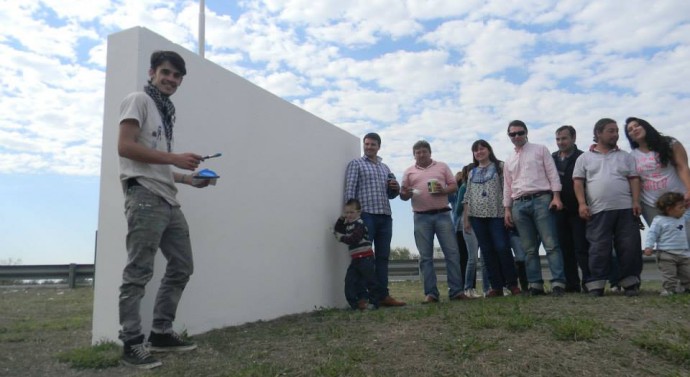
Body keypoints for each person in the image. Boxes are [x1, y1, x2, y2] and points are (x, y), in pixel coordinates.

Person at [117, 51, 208, 369]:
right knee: (138, 272)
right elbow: (125, 147)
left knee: (182, 267)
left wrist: (187, 178)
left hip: (168, 199)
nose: (171, 79)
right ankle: (131, 342)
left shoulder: (165, 111)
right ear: (152, 72)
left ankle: (160, 332)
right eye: (166, 73)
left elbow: (156, 161)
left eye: (177, 76)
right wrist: (175, 158)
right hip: (144, 196)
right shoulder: (138, 100)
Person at [573, 118, 643, 297]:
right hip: (598, 210)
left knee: (629, 246)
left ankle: (630, 283)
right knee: (598, 247)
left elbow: (634, 179)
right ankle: (596, 284)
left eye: (617, 131)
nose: (616, 134)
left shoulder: (625, 156)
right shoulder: (584, 158)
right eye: (611, 131)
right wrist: (582, 203)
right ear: (598, 133)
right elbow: (578, 183)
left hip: (626, 209)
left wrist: (636, 201)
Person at [503, 120, 567, 296]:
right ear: (509, 136)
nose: (516, 136)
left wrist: (556, 196)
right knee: (529, 249)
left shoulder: (540, 149)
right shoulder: (509, 159)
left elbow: (552, 173)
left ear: (526, 133)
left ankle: (558, 283)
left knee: (551, 244)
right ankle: (535, 284)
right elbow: (508, 186)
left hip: (541, 199)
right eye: (512, 134)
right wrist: (507, 209)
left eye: (520, 133)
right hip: (518, 204)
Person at [400, 140, 467, 303]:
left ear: (430, 152)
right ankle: (431, 293)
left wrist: (443, 190)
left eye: (424, 151)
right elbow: (402, 195)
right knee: (425, 256)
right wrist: (406, 193)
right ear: (414, 155)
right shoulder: (408, 172)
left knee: (452, 253)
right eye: (418, 152)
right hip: (421, 216)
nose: (421, 154)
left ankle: (456, 291)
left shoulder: (442, 167)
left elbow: (454, 186)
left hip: (443, 215)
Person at [344, 133, 406, 307]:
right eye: (367, 144)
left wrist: (395, 188)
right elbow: (350, 191)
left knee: (383, 257)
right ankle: (361, 297)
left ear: (379, 146)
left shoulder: (385, 168)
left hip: (385, 216)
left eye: (373, 144)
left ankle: (382, 296)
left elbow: (392, 194)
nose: (369, 147)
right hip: (365, 216)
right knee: (362, 258)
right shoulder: (356, 164)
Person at [463, 140, 521, 297]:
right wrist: (466, 219)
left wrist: (508, 210)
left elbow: (507, 188)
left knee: (502, 247)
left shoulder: (500, 167)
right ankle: (496, 287)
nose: (479, 152)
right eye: (475, 150)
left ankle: (512, 283)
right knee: (487, 252)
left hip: (497, 214)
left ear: (489, 150)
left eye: (482, 149)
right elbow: (467, 196)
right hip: (477, 216)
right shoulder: (471, 172)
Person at [624, 117, 690, 239]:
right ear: (630, 137)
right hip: (651, 205)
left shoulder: (670, 144)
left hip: (679, 199)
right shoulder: (631, 156)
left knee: (687, 235)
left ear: (646, 126)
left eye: (637, 125)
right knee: (666, 240)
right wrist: (636, 202)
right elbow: (635, 181)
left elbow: (683, 166)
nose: (634, 130)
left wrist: (689, 189)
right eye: (630, 130)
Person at [552, 125, 591, 292]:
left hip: (578, 209)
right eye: (558, 139)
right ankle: (572, 284)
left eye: (564, 138)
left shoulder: (583, 157)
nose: (561, 142)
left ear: (574, 138)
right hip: (559, 211)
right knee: (564, 248)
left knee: (582, 247)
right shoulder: (552, 158)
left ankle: (589, 282)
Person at [333, 199, 384, 310]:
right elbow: (337, 228)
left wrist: (341, 237)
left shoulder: (360, 224)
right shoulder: (348, 225)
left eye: (352, 212)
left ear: (359, 212)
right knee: (349, 281)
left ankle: (374, 303)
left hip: (366, 258)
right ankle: (354, 305)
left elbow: (354, 239)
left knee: (371, 281)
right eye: (347, 212)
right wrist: (342, 218)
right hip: (355, 259)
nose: (349, 215)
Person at [644, 192, 690, 296]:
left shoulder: (683, 217)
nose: (683, 209)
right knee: (669, 275)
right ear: (669, 209)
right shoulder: (659, 221)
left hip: (683, 254)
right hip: (666, 254)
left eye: (684, 207)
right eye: (680, 207)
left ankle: (687, 288)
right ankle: (669, 290)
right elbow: (652, 234)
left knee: (687, 273)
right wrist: (649, 246)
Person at [451, 165, 483, 298]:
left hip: (461, 225)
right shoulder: (465, 187)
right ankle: (467, 287)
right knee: (468, 258)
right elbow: (458, 207)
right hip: (463, 225)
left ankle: (466, 287)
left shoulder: (466, 187)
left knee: (465, 258)